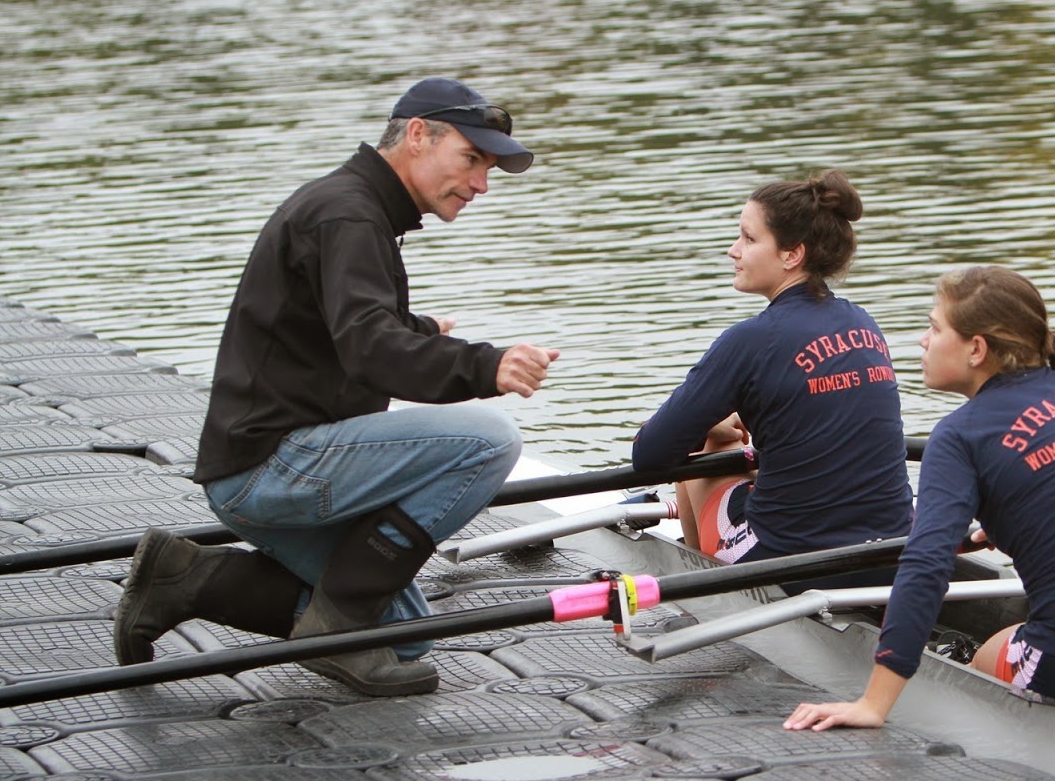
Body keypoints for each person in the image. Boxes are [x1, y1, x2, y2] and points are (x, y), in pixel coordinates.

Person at [113, 77, 560, 697]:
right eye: (471, 159)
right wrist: (487, 367)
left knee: (404, 636)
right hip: (273, 465)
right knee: (490, 440)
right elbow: (370, 349)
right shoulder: (348, 214)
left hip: (260, 463)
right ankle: (339, 622)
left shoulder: (353, 208)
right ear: (417, 135)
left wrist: (417, 330)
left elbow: (339, 328)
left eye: (487, 168)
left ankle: (184, 578)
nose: (481, 183)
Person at [784, 266, 1055, 729]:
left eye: (934, 328)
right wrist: (1023, 516)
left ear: (976, 349)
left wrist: (872, 705)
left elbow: (926, 567)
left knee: (985, 656)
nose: (922, 341)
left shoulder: (959, 435)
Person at [631, 170, 911, 586]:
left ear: (791, 254)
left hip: (795, 566)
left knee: (711, 443)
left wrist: (706, 429)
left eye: (748, 238)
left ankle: (706, 596)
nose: (733, 250)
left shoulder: (750, 340)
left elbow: (649, 456)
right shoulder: (864, 323)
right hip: (896, 553)